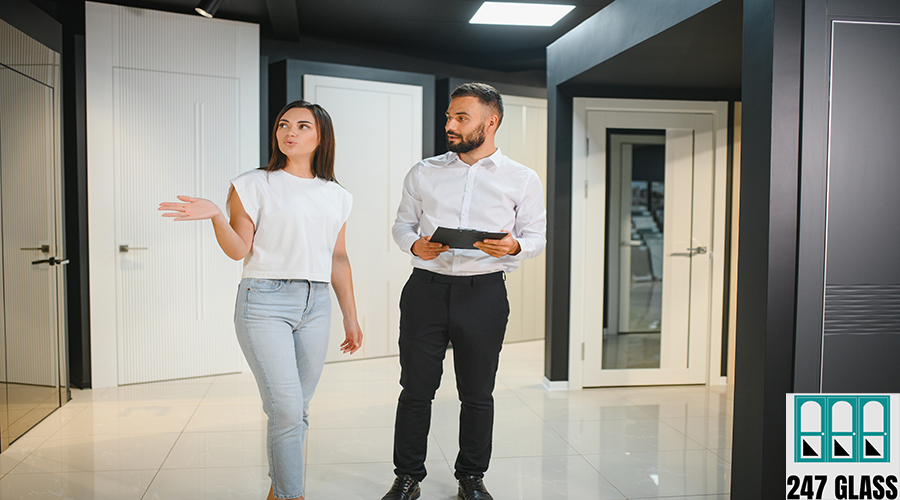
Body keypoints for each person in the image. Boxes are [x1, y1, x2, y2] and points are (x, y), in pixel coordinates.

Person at [159, 100, 363, 500]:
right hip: (264, 301)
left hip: (316, 302)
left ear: (322, 136)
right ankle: (292, 495)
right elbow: (239, 250)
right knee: (286, 409)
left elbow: (338, 258)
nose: (290, 132)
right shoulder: (252, 184)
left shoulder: (338, 195)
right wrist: (218, 215)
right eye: (284, 125)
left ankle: (279, 491)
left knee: (297, 410)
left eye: (303, 126)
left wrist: (350, 317)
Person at [382, 83, 547, 500]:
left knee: (477, 392)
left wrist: (515, 247)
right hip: (426, 290)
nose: (450, 125)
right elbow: (402, 224)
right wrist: (414, 244)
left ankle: (471, 477)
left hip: (484, 294)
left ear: (490, 122)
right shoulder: (424, 171)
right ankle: (407, 478)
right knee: (416, 388)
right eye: (449, 117)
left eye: (461, 118)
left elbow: (536, 236)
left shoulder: (522, 178)